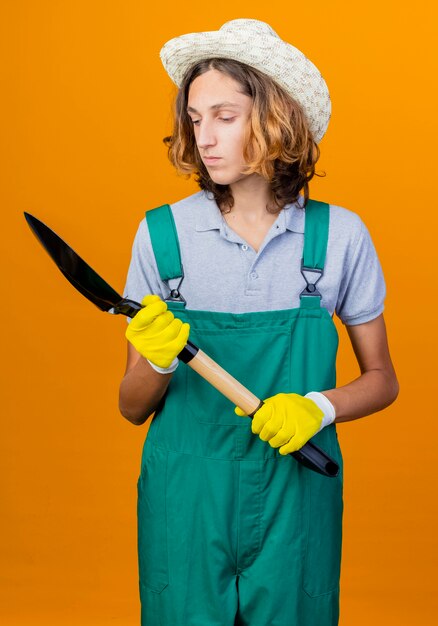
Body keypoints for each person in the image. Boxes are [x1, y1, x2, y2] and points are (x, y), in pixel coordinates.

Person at [119, 18, 399, 626]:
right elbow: (132, 406)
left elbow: (382, 379)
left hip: (296, 494)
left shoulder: (339, 237)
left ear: (276, 118)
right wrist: (160, 360)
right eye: (195, 120)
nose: (204, 139)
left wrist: (318, 407)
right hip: (187, 500)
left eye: (225, 115)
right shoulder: (162, 237)